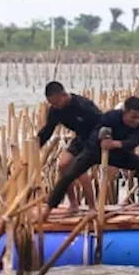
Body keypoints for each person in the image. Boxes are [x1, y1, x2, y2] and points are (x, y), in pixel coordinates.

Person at [45, 96, 139, 218]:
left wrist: (115, 144)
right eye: (133, 117)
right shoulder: (111, 117)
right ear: (124, 112)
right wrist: (101, 140)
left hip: (118, 153)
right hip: (94, 151)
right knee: (69, 174)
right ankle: (48, 210)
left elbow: (133, 141)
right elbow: (96, 131)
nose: (136, 121)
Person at [37, 81, 104, 212]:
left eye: (56, 103)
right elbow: (48, 130)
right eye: (52, 104)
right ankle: (73, 204)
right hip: (80, 138)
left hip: (94, 139)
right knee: (63, 165)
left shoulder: (83, 105)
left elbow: (102, 122)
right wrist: (36, 145)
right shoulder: (55, 111)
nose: (54, 106)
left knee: (79, 168)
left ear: (63, 95)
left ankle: (92, 207)